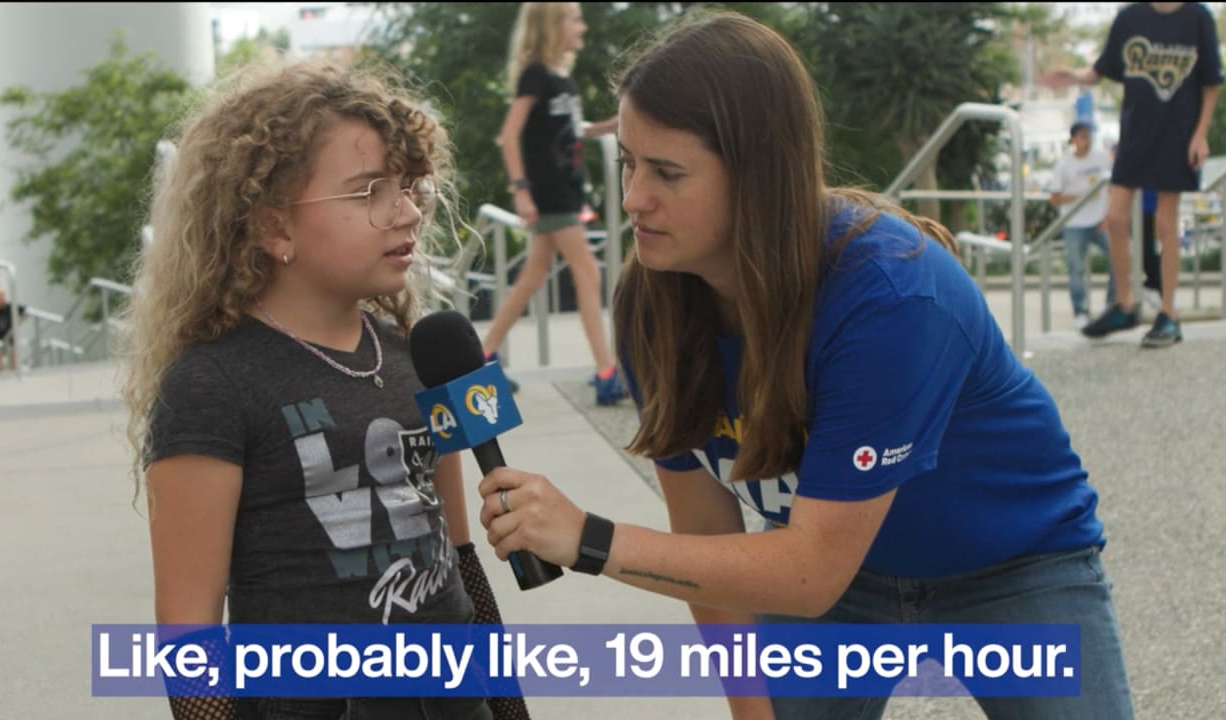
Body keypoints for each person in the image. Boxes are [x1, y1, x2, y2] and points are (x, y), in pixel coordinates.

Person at [476, 12, 1135, 720]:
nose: (634, 198)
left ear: (761, 174)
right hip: (837, 585)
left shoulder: (889, 296)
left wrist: (589, 538)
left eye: (667, 172)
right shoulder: (653, 303)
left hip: (1010, 564)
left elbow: (811, 573)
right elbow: (708, 541)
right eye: (630, 163)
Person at [121, 60, 516, 720]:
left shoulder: (424, 355)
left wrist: (508, 707)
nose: (409, 211)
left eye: (409, 187)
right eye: (369, 192)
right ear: (275, 228)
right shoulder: (210, 384)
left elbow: (462, 560)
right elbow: (189, 630)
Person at [1052, 2, 1222, 347]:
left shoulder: (1197, 17)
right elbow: (1100, 70)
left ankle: (1169, 314)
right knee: (1115, 216)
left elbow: (1210, 81)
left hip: (1178, 133)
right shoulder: (1130, 17)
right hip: (1135, 133)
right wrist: (1071, 76)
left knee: (1165, 221)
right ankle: (1127, 303)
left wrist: (1200, 133)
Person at [484, 2, 626, 405]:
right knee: (588, 273)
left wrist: (610, 125)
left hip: (566, 190)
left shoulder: (563, 79)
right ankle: (605, 371)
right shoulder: (537, 75)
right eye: (575, 19)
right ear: (553, 25)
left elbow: (568, 128)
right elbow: (510, 135)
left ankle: (483, 354)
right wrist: (521, 191)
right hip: (551, 195)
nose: (581, 26)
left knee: (532, 276)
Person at [1047, 121, 1115, 329]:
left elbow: (1114, 186)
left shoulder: (1102, 159)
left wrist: (1109, 215)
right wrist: (1080, 197)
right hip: (1075, 223)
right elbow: (1054, 197)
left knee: (1120, 257)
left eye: (1089, 136)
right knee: (1076, 268)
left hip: (1100, 221)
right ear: (1074, 139)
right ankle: (1081, 311)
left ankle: (1113, 304)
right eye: (1083, 136)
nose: (1087, 141)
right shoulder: (1064, 165)